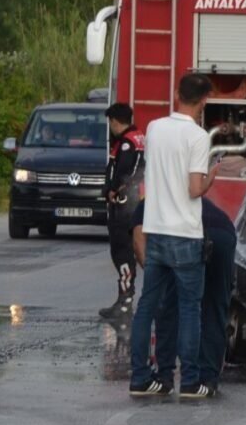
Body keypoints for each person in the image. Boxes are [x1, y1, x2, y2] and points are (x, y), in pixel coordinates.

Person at [128, 73, 216, 398]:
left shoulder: (154, 128)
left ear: (177, 94)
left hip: (156, 230)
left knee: (147, 306)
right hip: (185, 234)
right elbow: (194, 189)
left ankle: (141, 378)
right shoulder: (198, 136)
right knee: (189, 309)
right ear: (204, 100)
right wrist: (211, 179)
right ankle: (190, 381)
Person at [132, 197, 237, 396]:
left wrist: (157, 277)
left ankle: (166, 376)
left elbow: (139, 244)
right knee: (213, 307)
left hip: (190, 238)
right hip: (221, 233)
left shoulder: (147, 205)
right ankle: (207, 379)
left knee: (170, 308)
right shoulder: (179, 194)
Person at [100, 103, 146, 321]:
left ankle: (125, 302)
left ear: (115, 121)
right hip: (136, 204)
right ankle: (127, 300)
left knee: (122, 253)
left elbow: (123, 172)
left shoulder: (126, 143)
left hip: (124, 206)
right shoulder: (139, 138)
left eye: (110, 122)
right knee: (134, 252)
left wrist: (112, 190)